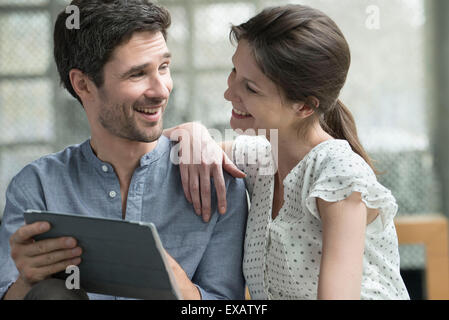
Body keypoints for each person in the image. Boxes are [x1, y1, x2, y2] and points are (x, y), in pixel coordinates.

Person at [0, 0, 248, 300]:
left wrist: (176, 285)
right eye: (137, 74)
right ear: (84, 85)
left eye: (164, 67)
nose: (161, 90)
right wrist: (26, 283)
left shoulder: (216, 180)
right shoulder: (36, 188)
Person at [166, 5, 410, 300]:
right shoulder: (260, 159)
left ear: (304, 106)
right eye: (234, 71)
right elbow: (179, 148)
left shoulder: (339, 175)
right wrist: (193, 131)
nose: (229, 93)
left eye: (251, 88)